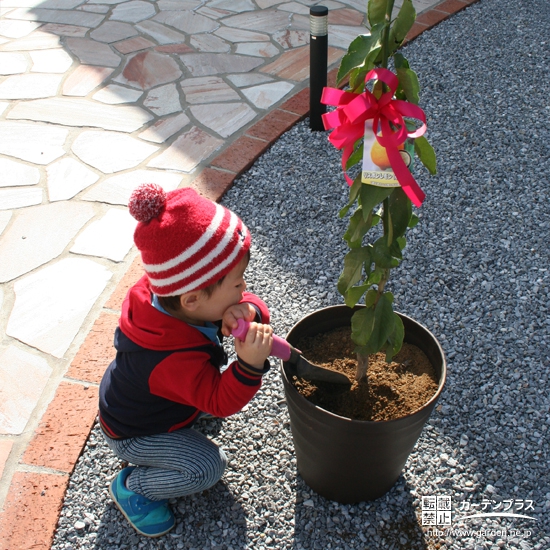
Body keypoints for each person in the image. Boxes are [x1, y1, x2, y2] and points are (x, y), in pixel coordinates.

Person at [99, 183, 273, 537]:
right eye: (238, 284)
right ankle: (134, 487)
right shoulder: (168, 358)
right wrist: (249, 366)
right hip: (138, 431)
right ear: (194, 299)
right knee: (208, 467)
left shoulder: (178, 297)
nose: (244, 289)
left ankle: (179, 424)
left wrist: (249, 309)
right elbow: (218, 401)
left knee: (196, 397)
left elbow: (249, 305)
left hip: (155, 398)